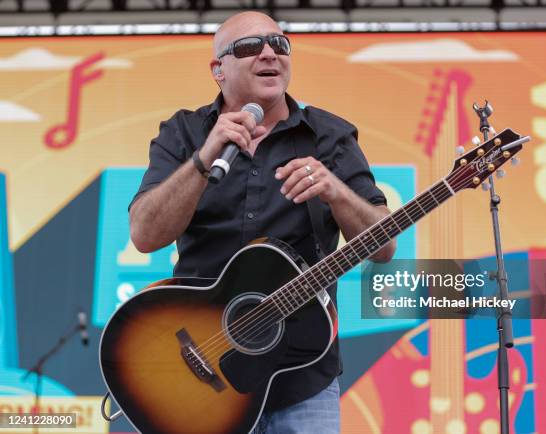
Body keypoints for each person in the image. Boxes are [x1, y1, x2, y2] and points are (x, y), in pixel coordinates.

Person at [128, 11, 396, 434]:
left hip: (303, 377)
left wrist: (334, 189)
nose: (270, 53)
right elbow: (144, 236)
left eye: (280, 44)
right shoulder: (184, 132)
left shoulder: (330, 136)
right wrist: (204, 156)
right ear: (218, 69)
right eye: (251, 47)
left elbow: (382, 247)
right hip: (203, 371)